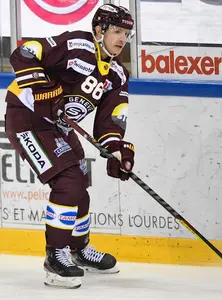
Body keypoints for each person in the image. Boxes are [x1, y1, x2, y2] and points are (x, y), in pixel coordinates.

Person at [5, 4, 135, 289]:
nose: (122, 39)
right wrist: (41, 86)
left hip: (58, 127)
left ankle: (77, 249)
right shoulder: (78, 45)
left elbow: (109, 121)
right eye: (116, 31)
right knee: (69, 180)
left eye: (126, 33)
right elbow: (26, 53)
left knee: (80, 185)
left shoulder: (117, 75)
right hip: (28, 118)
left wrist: (116, 149)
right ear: (99, 30)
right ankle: (55, 256)